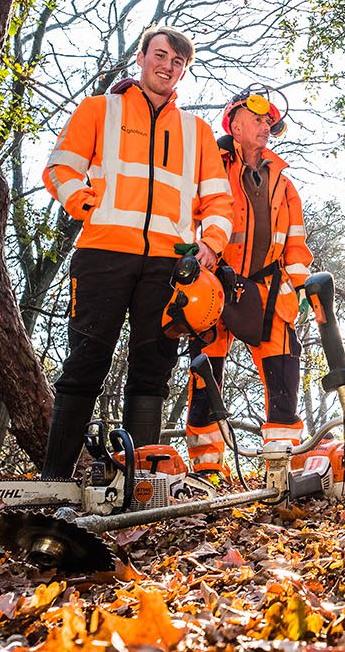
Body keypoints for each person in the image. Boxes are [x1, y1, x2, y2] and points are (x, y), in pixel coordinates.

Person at [39, 25, 235, 478]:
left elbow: (218, 201)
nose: (167, 66)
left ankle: (140, 482)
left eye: (177, 62)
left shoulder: (197, 131)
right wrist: (82, 202)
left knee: (152, 369)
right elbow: (60, 167)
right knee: (86, 360)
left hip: (169, 268)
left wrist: (210, 244)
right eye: (161, 56)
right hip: (103, 254)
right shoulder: (99, 110)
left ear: (183, 72)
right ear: (142, 57)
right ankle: (54, 478)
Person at [184, 87, 313, 484]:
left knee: (284, 378)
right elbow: (190, 216)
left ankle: (283, 463)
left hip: (269, 291)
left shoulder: (284, 183)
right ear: (234, 124)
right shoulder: (209, 167)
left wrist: (303, 286)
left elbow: (295, 243)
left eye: (269, 121)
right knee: (206, 375)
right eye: (257, 119)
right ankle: (207, 469)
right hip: (214, 286)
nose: (265, 126)